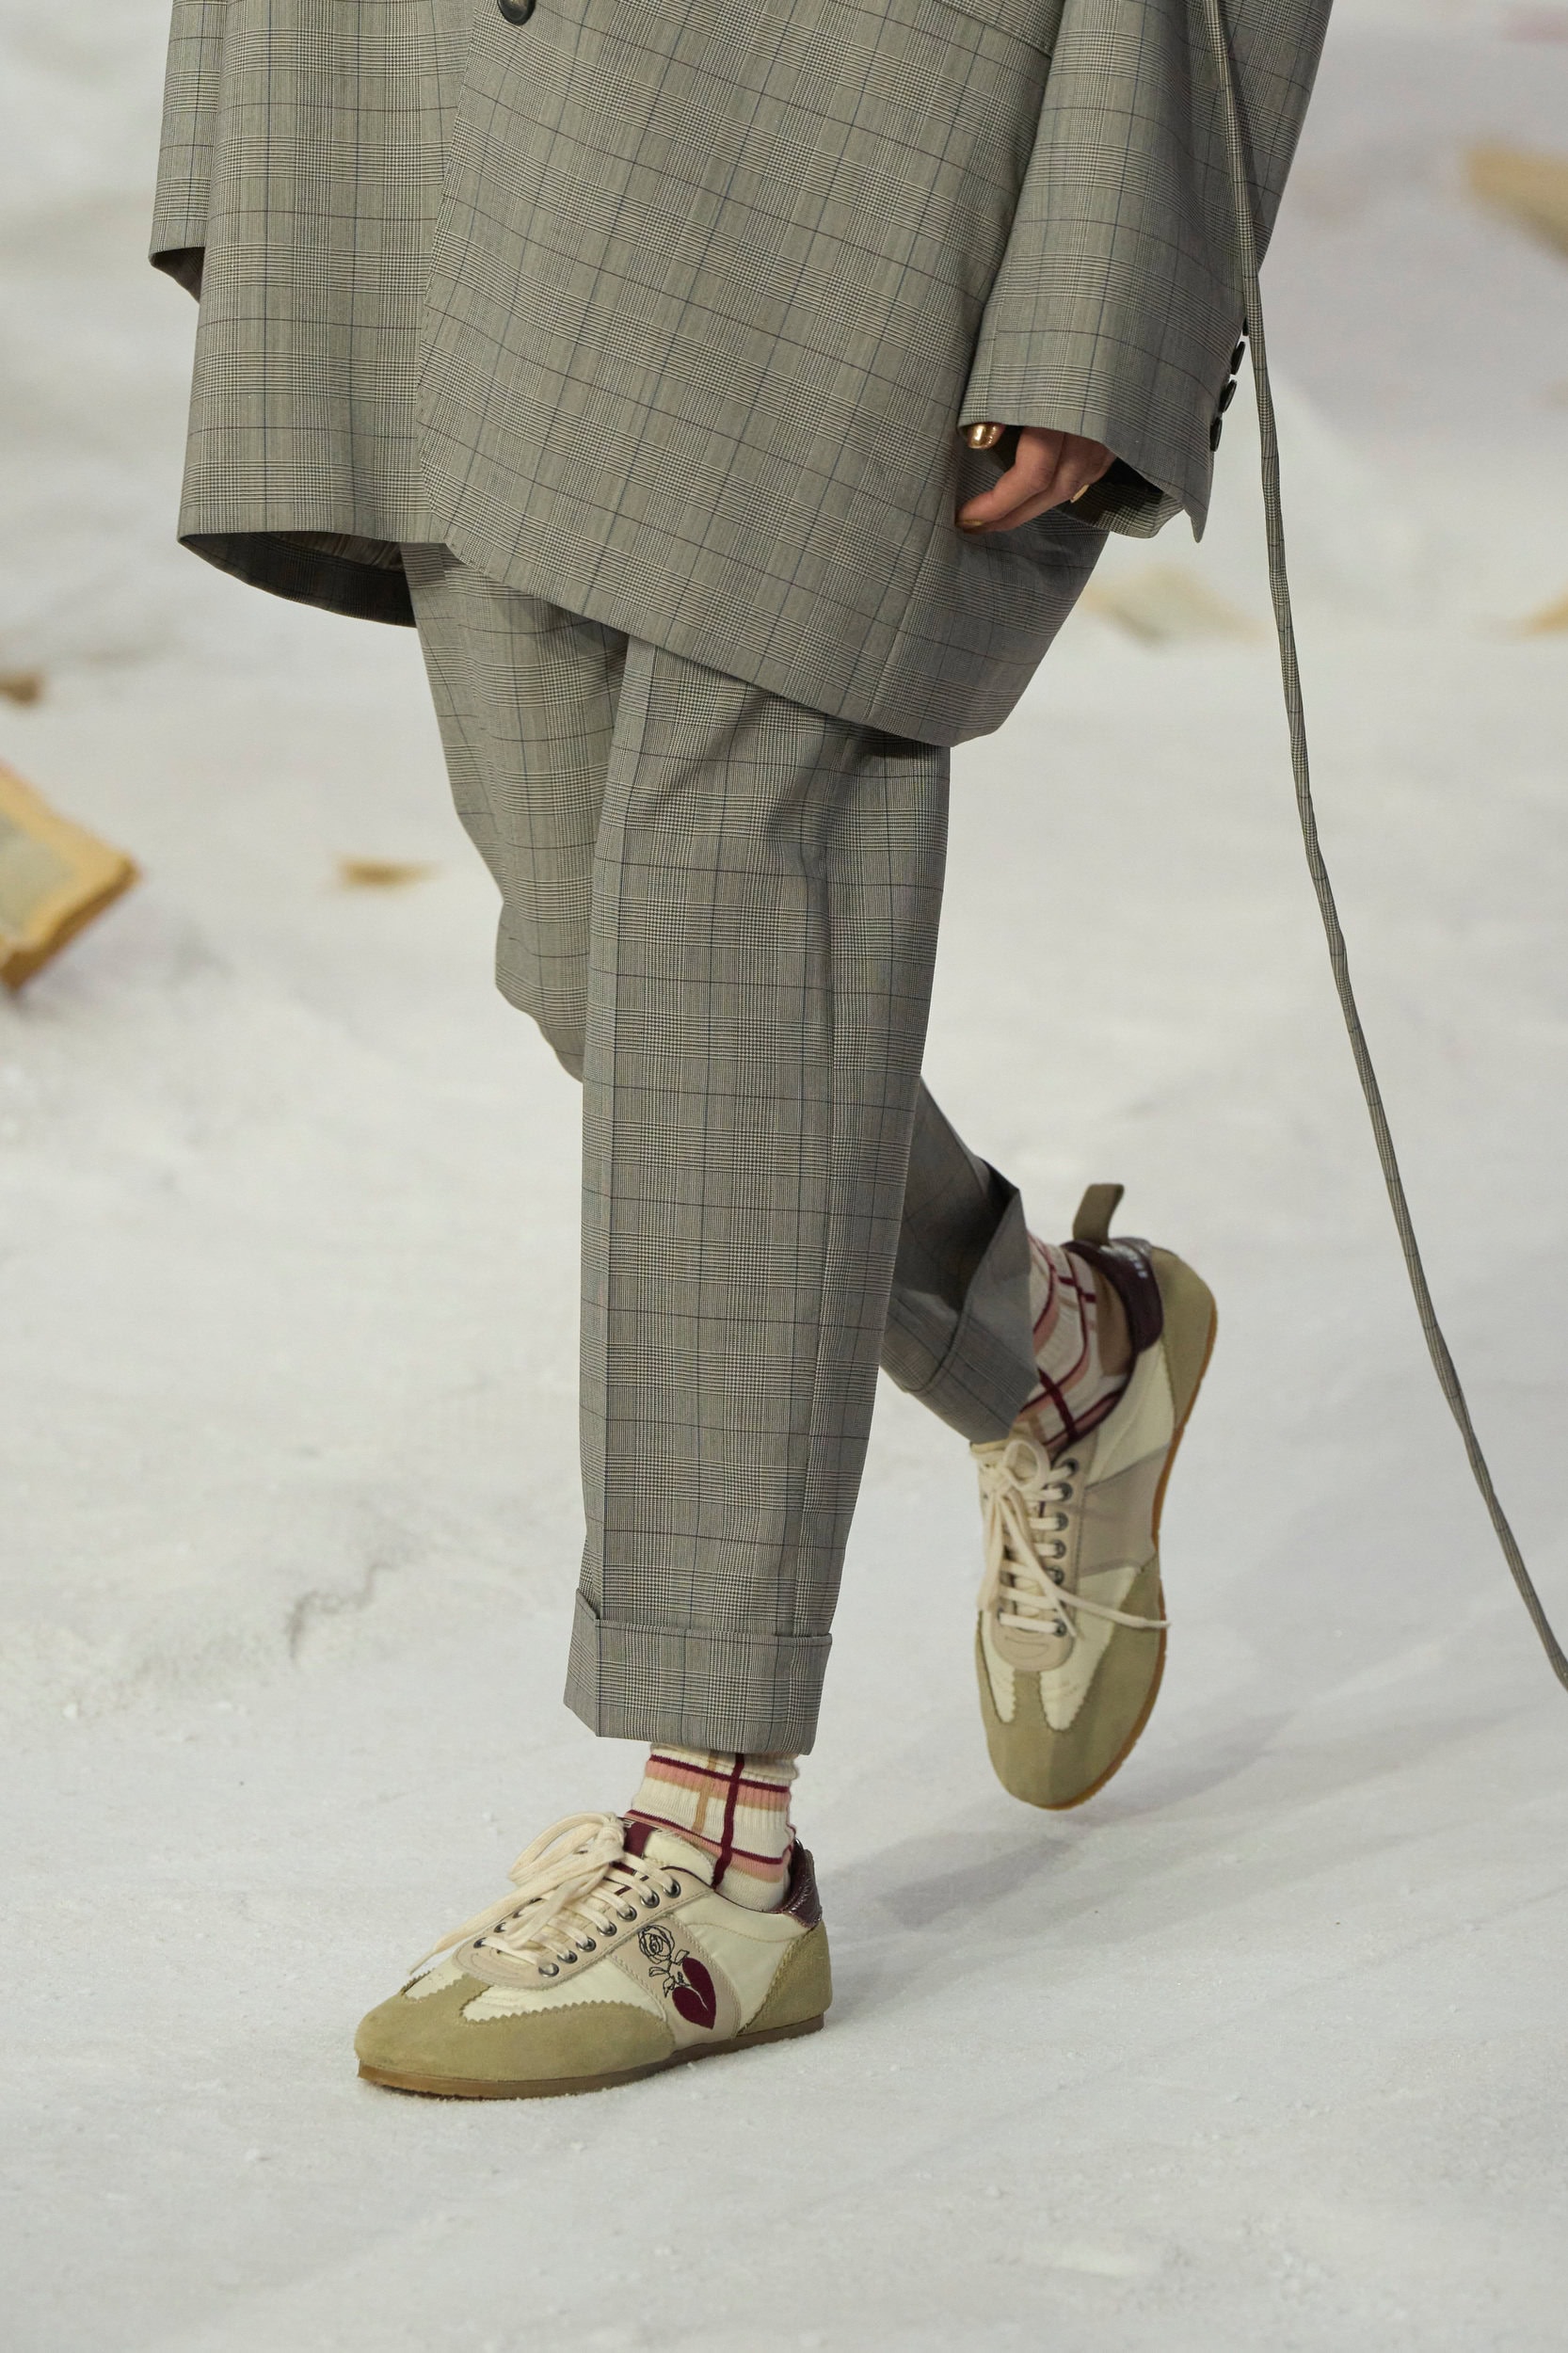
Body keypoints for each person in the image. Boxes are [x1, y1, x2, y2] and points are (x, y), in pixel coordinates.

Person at [152, 0, 1329, 2099]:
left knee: (724, 947)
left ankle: (713, 1842)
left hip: (875, 129)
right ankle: (1065, 1352)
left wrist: (1112, 288)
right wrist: (252, 112)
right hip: (434, 83)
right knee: (593, 963)